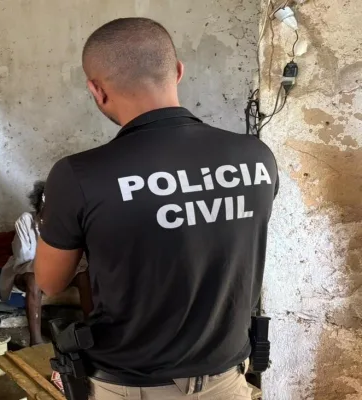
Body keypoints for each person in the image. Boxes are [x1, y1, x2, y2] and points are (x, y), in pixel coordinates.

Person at [34, 18, 278, 400]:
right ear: (178, 71)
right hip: (228, 381)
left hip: (131, 387)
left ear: (96, 90)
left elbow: (49, 282)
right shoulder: (257, 157)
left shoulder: (79, 174)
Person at [0, 181, 93, 345]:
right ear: (39, 207)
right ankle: (35, 340)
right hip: (26, 271)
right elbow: (23, 261)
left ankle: (91, 329)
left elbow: (79, 259)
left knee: (84, 276)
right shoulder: (25, 221)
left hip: (59, 270)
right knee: (34, 279)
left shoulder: (67, 225)